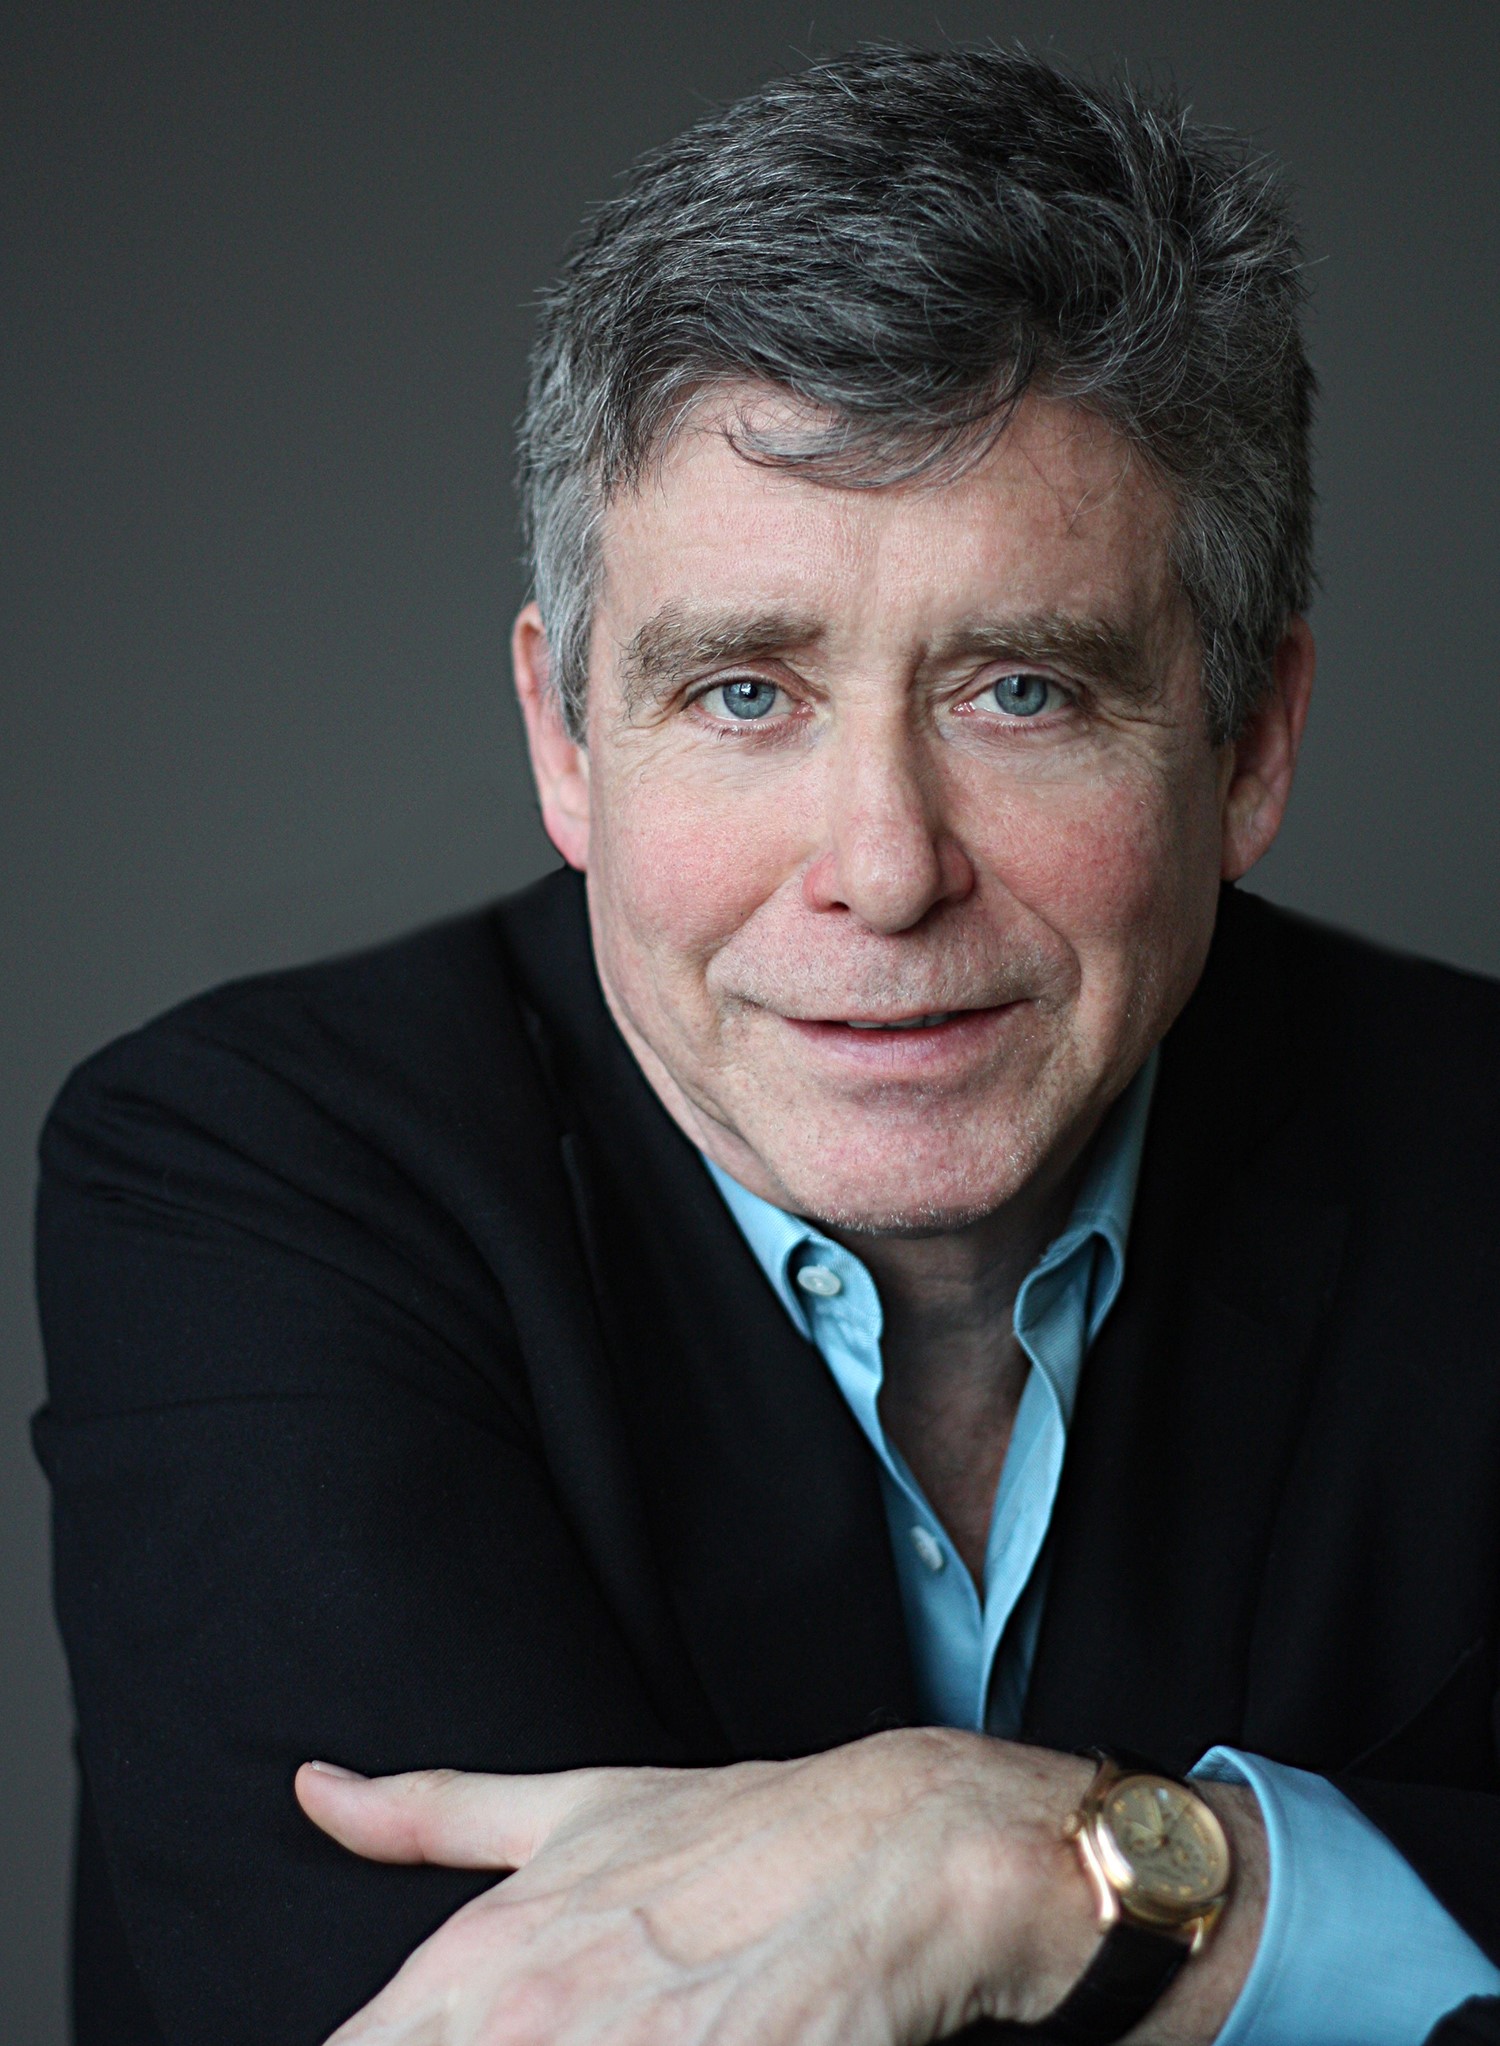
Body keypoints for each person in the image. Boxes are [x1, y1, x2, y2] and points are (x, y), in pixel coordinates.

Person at [32, 44, 1500, 2046]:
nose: (883, 873)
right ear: (566, 740)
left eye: (1019, 690)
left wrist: (1008, 1861)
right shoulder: (235, 1176)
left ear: (1247, 749)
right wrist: (1237, 1904)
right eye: (743, 690)